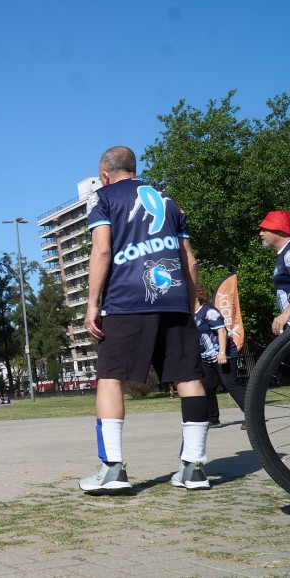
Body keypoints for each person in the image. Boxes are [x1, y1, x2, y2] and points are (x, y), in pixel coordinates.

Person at [78, 146, 210, 495]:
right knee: (188, 378)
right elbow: (190, 261)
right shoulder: (168, 200)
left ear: (105, 173)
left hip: (126, 302)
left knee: (110, 379)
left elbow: (102, 249)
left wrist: (92, 303)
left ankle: (112, 470)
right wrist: (191, 303)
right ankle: (194, 469)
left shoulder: (103, 198)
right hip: (176, 302)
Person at [194, 285, 245, 427]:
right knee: (207, 387)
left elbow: (222, 332)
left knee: (230, 384)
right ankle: (213, 419)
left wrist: (222, 353)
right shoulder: (191, 314)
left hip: (224, 355)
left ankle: (252, 416)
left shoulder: (209, 312)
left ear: (197, 296)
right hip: (205, 358)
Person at [258, 210, 290, 336]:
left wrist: (285, 314)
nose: (260, 233)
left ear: (279, 230)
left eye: (264, 229)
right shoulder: (285, 252)